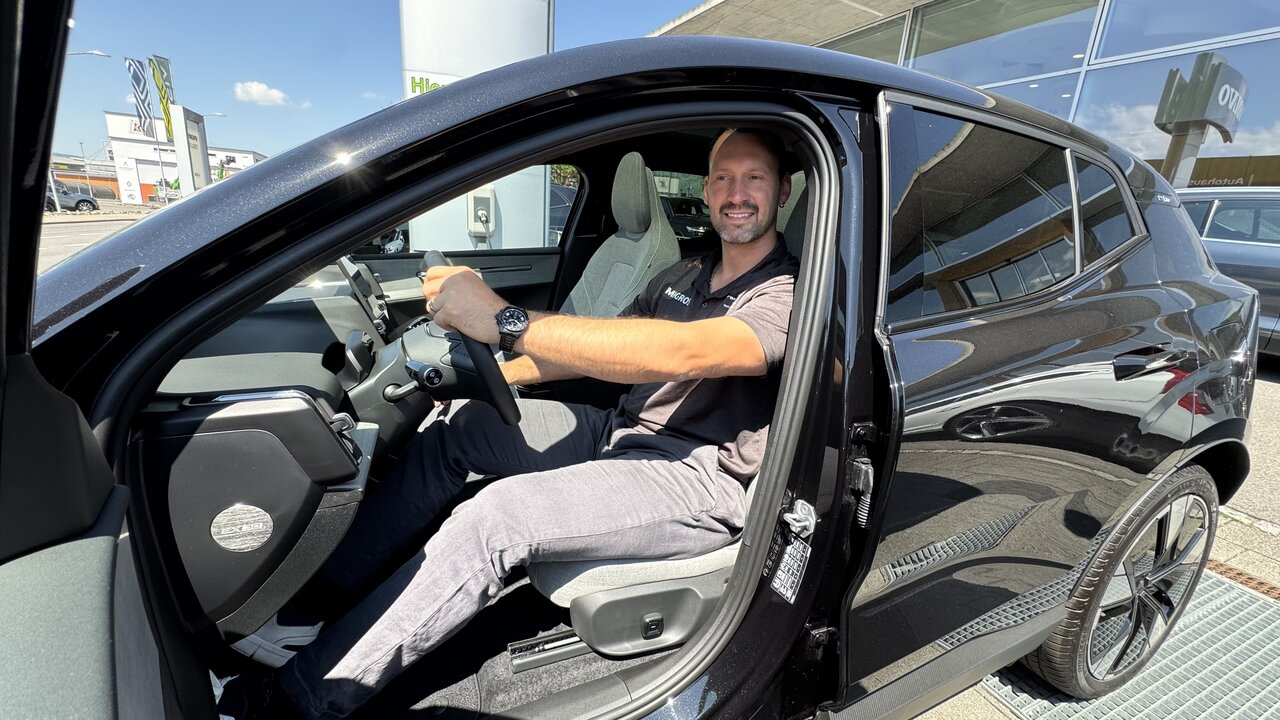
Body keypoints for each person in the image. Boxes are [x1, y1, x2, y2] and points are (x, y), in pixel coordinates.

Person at [227, 127, 799, 719]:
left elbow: (687, 352)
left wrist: (506, 319)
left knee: (496, 519)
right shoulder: (683, 274)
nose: (737, 193)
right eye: (724, 177)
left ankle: (298, 700)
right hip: (620, 431)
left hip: (695, 473)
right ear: (705, 190)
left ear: (782, 191)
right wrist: (492, 374)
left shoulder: (789, 291)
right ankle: (319, 603)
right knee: (461, 428)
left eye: (754, 178)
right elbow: (596, 351)